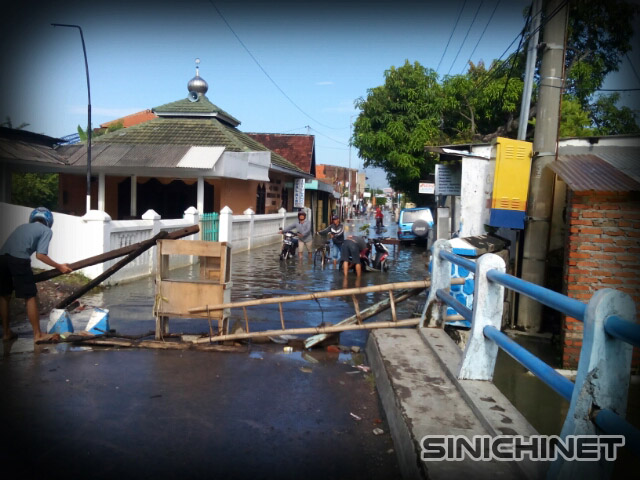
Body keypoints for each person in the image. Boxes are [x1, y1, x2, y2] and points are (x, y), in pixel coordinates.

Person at [1, 207, 73, 343]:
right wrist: (59, 266)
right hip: (19, 259)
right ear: (48, 221)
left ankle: (6, 333)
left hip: (2, 259)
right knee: (29, 296)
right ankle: (38, 334)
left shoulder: (22, 227)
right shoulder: (46, 230)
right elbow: (40, 255)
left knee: (4, 296)